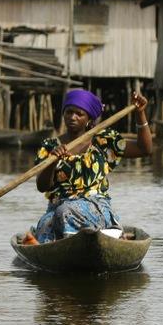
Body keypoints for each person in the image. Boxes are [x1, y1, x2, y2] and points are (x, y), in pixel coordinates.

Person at [23, 89, 152, 244]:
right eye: (68, 112)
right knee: (45, 225)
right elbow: (42, 186)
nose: (72, 117)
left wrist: (140, 114)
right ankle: (72, 244)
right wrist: (52, 162)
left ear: (89, 118)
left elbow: (144, 149)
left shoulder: (102, 142)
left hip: (94, 207)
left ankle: (104, 233)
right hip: (57, 207)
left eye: (79, 114)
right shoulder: (50, 146)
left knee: (65, 213)